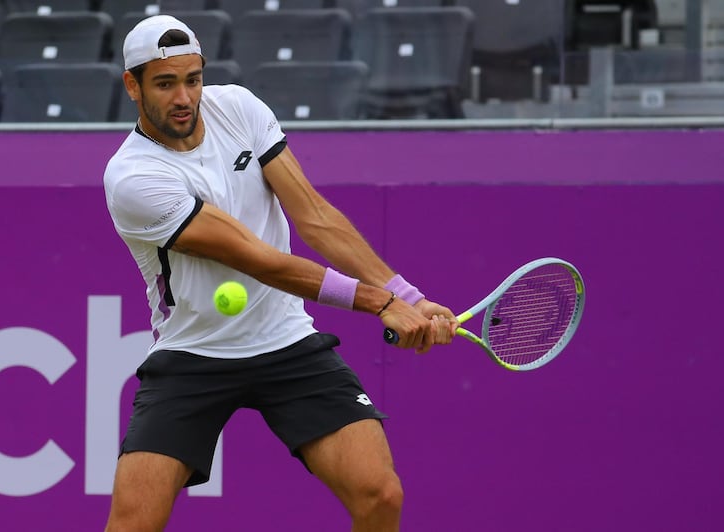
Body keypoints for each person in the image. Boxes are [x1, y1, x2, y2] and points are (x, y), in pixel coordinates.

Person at [102, 15, 458, 532]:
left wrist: (407, 294)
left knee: (380, 494)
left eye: (193, 79)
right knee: (133, 524)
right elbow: (257, 258)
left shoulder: (240, 108)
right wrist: (380, 303)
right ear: (132, 86)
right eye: (164, 83)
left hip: (285, 341)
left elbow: (313, 213)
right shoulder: (133, 179)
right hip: (193, 353)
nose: (183, 96)